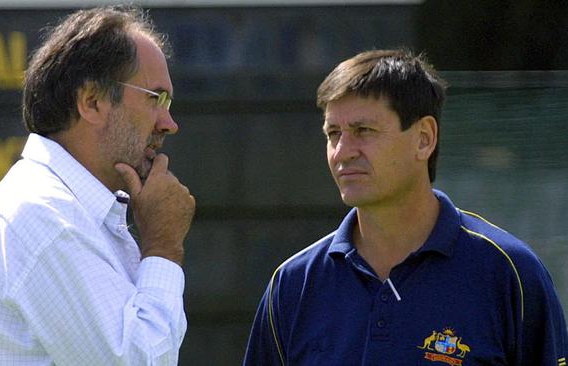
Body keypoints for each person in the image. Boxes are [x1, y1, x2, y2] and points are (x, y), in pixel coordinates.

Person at [243, 49, 568, 365]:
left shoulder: (509, 274)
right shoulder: (293, 285)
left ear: (424, 138)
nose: (342, 152)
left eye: (363, 131)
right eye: (333, 133)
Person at [0, 6, 195, 365]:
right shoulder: (46, 217)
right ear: (91, 102)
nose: (169, 123)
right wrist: (163, 246)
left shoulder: (63, 212)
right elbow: (141, 359)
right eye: (156, 98)